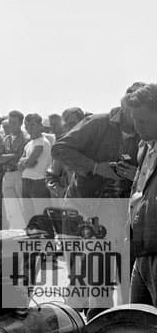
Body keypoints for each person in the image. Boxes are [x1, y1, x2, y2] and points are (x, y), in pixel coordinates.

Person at [52, 83, 144, 199]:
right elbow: (59, 149)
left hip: (120, 205)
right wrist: (95, 167)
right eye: (137, 112)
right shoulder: (97, 123)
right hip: (82, 202)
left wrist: (139, 176)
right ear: (124, 108)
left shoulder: (149, 134)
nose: (142, 118)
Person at [124, 84, 157, 306]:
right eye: (135, 120)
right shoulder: (145, 146)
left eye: (143, 121)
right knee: (136, 317)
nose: (137, 127)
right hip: (141, 249)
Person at [0, 110, 30, 228]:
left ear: (20, 123)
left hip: (20, 174)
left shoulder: (26, 139)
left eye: (14, 123)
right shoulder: (6, 139)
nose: (11, 125)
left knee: (23, 206)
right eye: (10, 122)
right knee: (11, 208)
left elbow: (20, 158)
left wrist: (7, 157)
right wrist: (13, 155)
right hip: (7, 175)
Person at [19, 113, 52, 221]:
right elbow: (20, 166)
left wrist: (26, 162)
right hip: (26, 181)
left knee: (41, 216)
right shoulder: (28, 144)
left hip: (38, 182)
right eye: (27, 125)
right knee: (28, 217)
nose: (29, 128)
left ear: (40, 125)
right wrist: (26, 162)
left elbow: (29, 162)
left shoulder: (42, 142)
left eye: (32, 125)